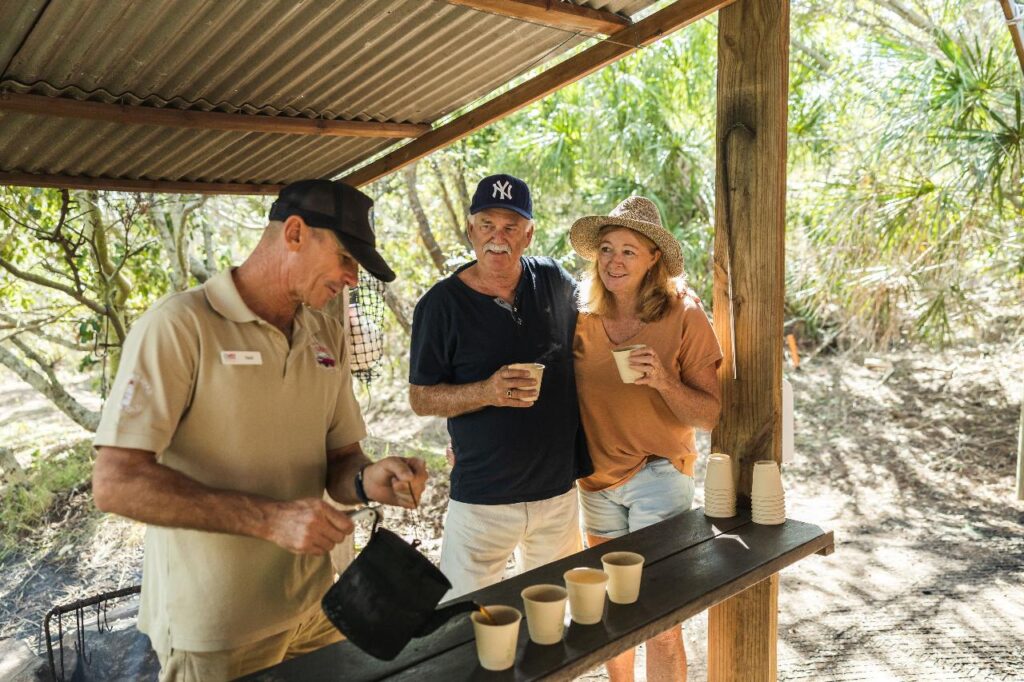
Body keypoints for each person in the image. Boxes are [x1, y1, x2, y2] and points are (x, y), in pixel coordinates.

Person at [91, 179, 428, 682]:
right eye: (345, 258)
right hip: (218, 630)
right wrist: (269, 519)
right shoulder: (181, 326)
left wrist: (368, 479)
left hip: (317, 609)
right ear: (294, 232)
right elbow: (115, 482)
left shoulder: (325, 334)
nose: (351, 278)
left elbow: (342, 461)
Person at [408, 174, 591, 598]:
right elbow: (420, 398)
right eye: (487, 225)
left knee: (552, 623)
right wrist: (485, 391)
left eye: (511, 227)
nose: (498, 238)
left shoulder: (551, 280)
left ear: (529, 234)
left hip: (557, 496)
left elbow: (598, 329)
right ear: (470, 230)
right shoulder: (440, 306)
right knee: (464, 624)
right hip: (482, 500)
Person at [569, 196, 723, 682]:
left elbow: (711, 414)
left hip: (659, 475)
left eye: (629, 251)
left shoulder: (684, 314)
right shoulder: (580, 315)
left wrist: (664, 382)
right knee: (614, 612)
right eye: (607, 249)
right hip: (595, 481)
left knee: (660, 617)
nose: (615, 261)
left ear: (654, 257)